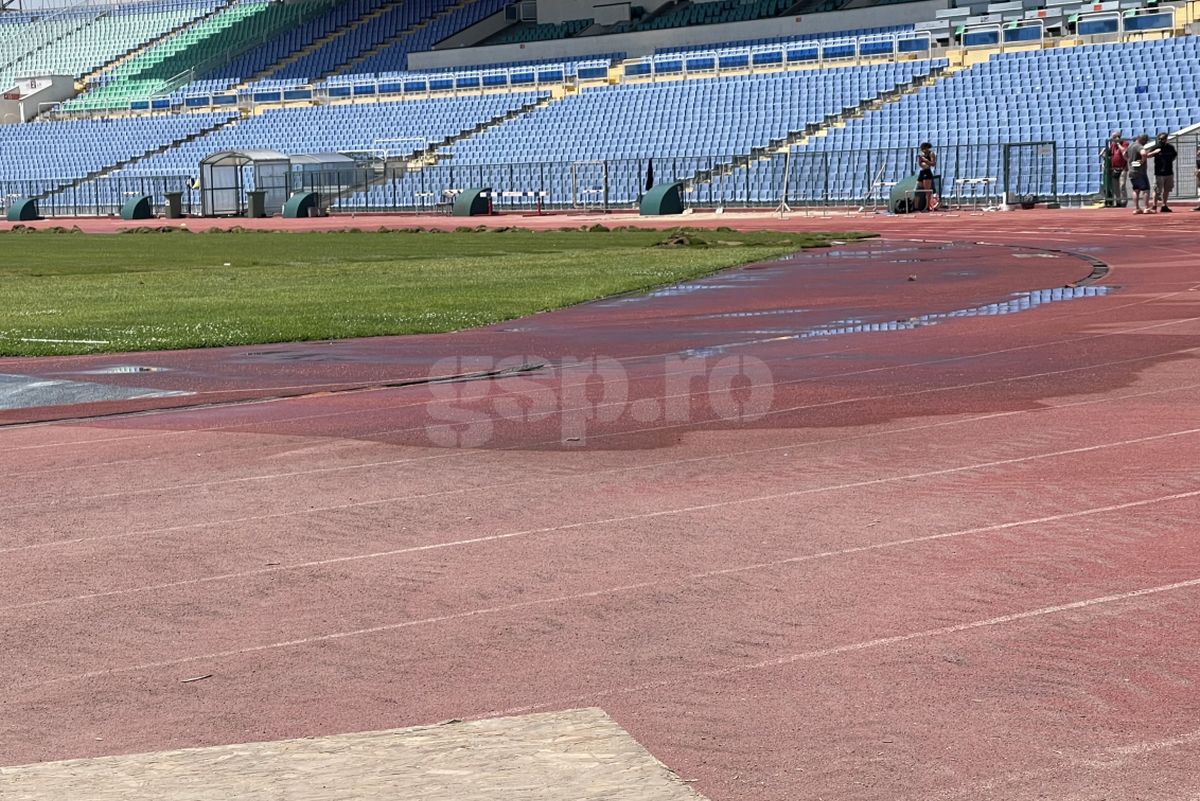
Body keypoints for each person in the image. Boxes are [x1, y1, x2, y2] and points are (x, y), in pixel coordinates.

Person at [1143, 132, 1177, 213]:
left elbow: (1174, 155)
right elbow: (1147, 155)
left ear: (1166, 139)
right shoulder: (1156, 146)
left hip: (1169, 172)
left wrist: (1169, 161)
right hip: (1159, 172)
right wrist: (1155, 152)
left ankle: (1164, 205)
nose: (1161, 141)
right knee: (1157, 190)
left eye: (1163, 139)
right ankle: (1154, 205)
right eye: (1160, 139)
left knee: (1167, 190)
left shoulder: (1170, 147)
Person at [1100, 130, 1129, 207]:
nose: (1112, 139)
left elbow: (1124, 151)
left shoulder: (1124, 143)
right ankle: (1118, 201)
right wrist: (1103, 150)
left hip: (1123, 168)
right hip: (1114, 168)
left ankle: (1124, 201)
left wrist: (1118, 144)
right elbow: (1108, 154)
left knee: (1122, 185)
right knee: (1115, 186)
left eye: (1113, 138)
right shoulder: (1112, 145)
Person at [1127, 134, 1152, 214]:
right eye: (1145, 141)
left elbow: (1124, 154)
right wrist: (1142, 161)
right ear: (1143, 140)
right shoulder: (1139, 146)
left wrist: (1132, 163)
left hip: (1132, 171)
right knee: (1146, 189)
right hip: (1140, 172)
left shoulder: (1130, 146)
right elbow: (1143, 154)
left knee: (1136, 189)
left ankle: (1137, 208)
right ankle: (1147, 208)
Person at [916, 142, 936, 212]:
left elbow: (933, 163)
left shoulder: (931, 154)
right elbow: (920, 164)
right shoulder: (922, 155)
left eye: (924, 149)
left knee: (927, 191)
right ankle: (917, 206)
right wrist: (921, 161)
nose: (923, 151)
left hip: (927, 172)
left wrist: (926, 161)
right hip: (922, 171)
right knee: (918, 188)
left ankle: (927, 206)